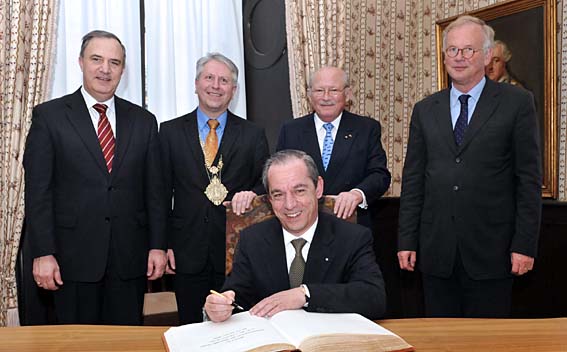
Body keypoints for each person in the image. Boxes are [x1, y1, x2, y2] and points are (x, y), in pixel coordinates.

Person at [398, 16, 542, 318]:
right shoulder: (425, 110)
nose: (458, 58)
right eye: (452, 50)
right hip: (436, 254)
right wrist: (406, 240)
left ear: (488, 55)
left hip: (493, 253)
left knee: (487, 343)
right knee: (439, 342)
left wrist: (525, 244)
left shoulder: (517, 102)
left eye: (468, 50)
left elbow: (528, 180)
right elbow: (413, 181)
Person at [23, 30, 167, 325]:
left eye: (114, 62)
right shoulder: (49, 117)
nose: (105, 69)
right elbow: (39, 192)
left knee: (126, 343)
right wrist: (43, 253)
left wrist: (158, 246)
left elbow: (155, 191)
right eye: (97, 59)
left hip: (129, 261)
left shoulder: (144, 121)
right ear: (81, 62)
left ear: (123, 70)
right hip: (70, 261)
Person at [204, 149, 386, 323]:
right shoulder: (252, 240)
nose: (289, 204)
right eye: (278, 194)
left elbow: (374, 298)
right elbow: (236, 296)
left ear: (318, 188)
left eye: (299, 191)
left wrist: (305, 294)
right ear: (269, 199)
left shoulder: (352, 238)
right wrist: (219, 307)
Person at [159, 53, 269, 324]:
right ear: (196, 83)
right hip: (186, 249)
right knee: (191, 325)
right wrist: (163, 244)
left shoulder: (253, 134)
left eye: (224, 80)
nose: (215, 86)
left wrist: (253, 194)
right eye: (209, 78)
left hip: (237, 250)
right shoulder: (169, 132)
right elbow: (158, 193)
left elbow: (266, 184)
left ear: (234, 90)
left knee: (237, 328)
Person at [276, 66, 391, 228]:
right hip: (303, 226)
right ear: (309, 95)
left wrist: (357, 194)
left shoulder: (366, 128)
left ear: (347, 93)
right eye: (319, 90)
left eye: (334, 90)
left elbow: (380, 175)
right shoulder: (291, 130)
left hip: (351, 225)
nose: (326, 97)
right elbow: (278, 176)